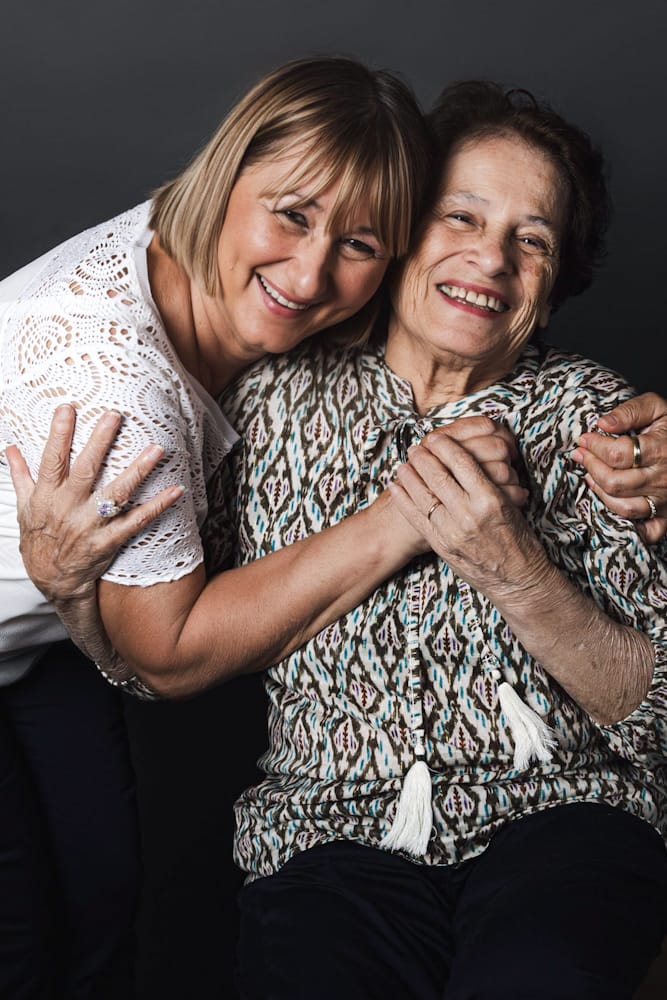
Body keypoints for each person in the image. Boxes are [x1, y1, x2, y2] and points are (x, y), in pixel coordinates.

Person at [8, 77, 667, 999]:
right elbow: (164, 650)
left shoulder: (604, 429)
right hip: (331, 837)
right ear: (402, 245)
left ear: (554, 288)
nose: (490, 260)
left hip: (563, 822)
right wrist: (77, 597)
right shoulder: (269, 400)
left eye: (533, 240)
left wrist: (518, 576)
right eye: (460, 218)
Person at [0, 55, 448, 999]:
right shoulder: (114, 381)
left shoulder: (220, 271)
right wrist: (403, 518)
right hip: (55, 638)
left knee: (107, 905)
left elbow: (475, 327)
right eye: (291, 215)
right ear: (226, 175)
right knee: (20, 942)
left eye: (361, 244)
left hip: (35, 649)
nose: (312, 270)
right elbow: (164, 655)